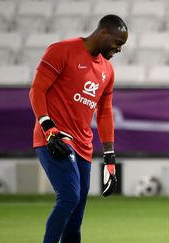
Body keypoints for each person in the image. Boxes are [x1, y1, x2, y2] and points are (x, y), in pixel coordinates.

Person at [29, 14, 128, 243]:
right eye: (117, 43)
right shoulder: (62, 50)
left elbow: (104, 113)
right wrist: (48, 128)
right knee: (69, 198)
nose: (119, 50)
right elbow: (37, 90)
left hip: (84, 144)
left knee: (76, 215)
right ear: (103, 33)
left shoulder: (108, 71)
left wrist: (110, 158)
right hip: (55, 138)